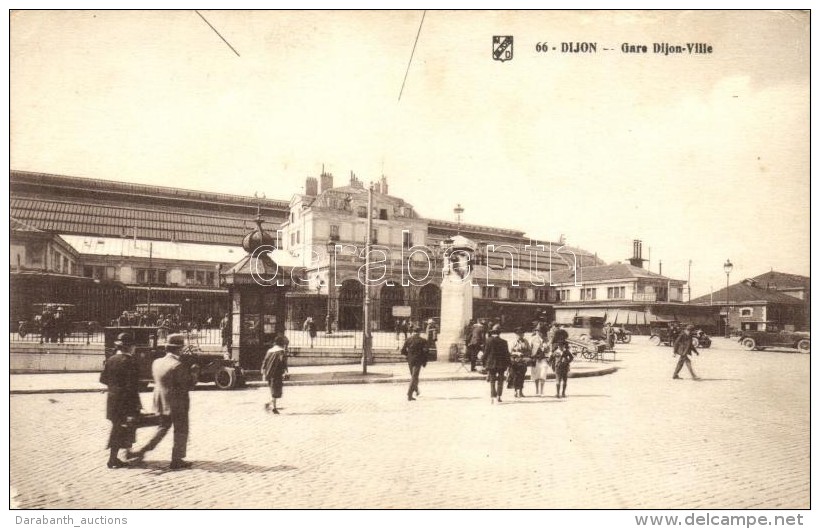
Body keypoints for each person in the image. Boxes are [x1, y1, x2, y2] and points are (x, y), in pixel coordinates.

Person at [129, 333, 196, 470]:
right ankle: (177, 459)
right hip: (177, 403)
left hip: (161, 401)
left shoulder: (157, 362)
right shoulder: (177, 365)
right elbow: (188, 385)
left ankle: (142, 451)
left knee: (163, 428)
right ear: (179, 349)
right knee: (181, 430)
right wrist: (194, 373)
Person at [99, 332, 142, 469]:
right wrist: (134, 405)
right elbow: (132, 387)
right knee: (120, 429)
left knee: (119, 428)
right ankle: (114, 459)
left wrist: (114, 387)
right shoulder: (131, 362)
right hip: (125, 402)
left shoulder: (111, 359)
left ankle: (121, 456)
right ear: (130, 347)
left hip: (112, 401)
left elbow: (103, 379)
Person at [261, 337, 289, 414]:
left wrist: (263, 372)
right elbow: (283, 362)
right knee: (276, 391)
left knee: (273, 390)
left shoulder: (270, 351)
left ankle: (274, 407)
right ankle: (269, 405)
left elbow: (265, 361)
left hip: (269, 373)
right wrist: (285, 371)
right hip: (277, 373)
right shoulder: (281, 352)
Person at [401, 326, 429, 401]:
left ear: (413, 332)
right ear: (419, 332)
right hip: (418, 361)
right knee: (414, 377)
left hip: (410, 361)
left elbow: (403, 351)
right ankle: (409, 393)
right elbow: (426, 352)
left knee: (414, 376)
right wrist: (424, 361)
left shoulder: (408, 340)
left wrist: (408, 355)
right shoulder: (423, 341)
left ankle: (416, 390)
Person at [484, 324, 510, 404]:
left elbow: (486, 353)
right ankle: (499, 396)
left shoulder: (488, 341)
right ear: (499, 333)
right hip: (501, 364)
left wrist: (483, 361)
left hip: (491, 364)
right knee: (500, 380)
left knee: (492, 381)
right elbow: (506, 354)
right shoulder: (504, 342)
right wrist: (508, 364)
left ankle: (493, 397)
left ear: (492, 332)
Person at [508, 327, 531, 397]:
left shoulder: (526, 341)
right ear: (516, 335)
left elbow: (529, 350)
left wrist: (526, 354)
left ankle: (520, 391)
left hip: (523, 361)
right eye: (518, 334)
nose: (520, 335)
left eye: (521, 334)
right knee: (515, 376)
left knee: (522, 376)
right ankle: (515, 391)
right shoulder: (513, 342)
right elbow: (510, 351)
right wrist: (517, 353)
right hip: (515, 361)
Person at [529, 323, 551, 396]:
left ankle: (542, 391)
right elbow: (530, 349)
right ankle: (537, 391)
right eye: (537, 331)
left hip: (543, 359)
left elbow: (548, 350)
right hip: (535, 359)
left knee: (543, 374)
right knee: (536, 375)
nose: (539, 333)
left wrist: (546, 348)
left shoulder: (546, 339)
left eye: (540, 331)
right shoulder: (532, 339)